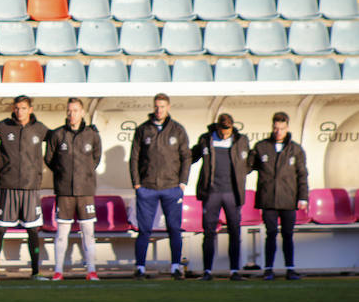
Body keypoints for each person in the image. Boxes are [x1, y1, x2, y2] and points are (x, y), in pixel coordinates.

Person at [129, 93, 191, 280]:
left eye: (162, 106)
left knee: (174, 228)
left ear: (168, 107)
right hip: (147, 188)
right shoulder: (143, 129)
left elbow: (186, 157)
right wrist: (137, 184)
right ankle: (140, 267)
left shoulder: (177, 130)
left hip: (172, 188)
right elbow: (134, 157)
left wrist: (182, 183)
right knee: (144, 229)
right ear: (153, 107)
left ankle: (175, 267)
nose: (159, 110)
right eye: (156, 106)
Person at [0, 95, 50, 280]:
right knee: (0, 229)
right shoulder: (4, 126)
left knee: (32, 230)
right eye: (17, 108)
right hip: (8, 187)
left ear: (30, 109)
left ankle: (36, 272)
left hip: (31, 188)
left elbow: (59, 139)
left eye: (23, 108)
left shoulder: (39, 128)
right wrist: (0, 159)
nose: (19, 111)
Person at [44, 98, 102, 281]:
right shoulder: (57, 134)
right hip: (64, 192)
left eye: (75, 110)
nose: (72, 114)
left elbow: (96, 158)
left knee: (88, 232)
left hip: (85, 192)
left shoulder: (92, 135)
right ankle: (58, 271)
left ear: (82, 112)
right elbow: (49, 159)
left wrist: (83, 174)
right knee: (62, 233)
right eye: (69, 111)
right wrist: (63, 174)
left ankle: (91, 271)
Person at [249, 112, 309, 281]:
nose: (278, 131)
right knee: (271, 233)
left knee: (288, 234)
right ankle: (268, 269)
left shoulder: (295, 149)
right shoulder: (261, 147)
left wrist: (303, 197)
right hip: (268, 199)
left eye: (282, 128)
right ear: (272, 127)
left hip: (288, 199)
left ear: (287, 128)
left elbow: (302, 175)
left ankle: (290, 268)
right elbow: (248, 166)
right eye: (276, 128)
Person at [191, 113, 250, 281]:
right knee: (209, 232)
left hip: (232, 193)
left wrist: (242, 174)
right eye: (222, 129)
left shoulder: (241, 140)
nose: (225, 133)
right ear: (217, 127)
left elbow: (249, 161)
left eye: (228, 129)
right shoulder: (206, 139)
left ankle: (234, 271)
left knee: (234, 232)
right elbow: (191, 157)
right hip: (212, 193)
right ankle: (207, 271)